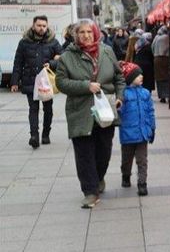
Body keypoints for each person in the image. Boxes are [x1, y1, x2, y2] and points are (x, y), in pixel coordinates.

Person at [55, 19, 125, 209]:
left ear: (95, 33)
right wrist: (86, 86)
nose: (86, 35)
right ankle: (90, 191)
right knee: (84, 153)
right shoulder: (67, 56)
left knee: (104, 151)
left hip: (105, 110)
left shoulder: (107, 51)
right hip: (80, 111)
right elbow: (61, 82)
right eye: (81, 32)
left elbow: (119, 77)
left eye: (89, 31)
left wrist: (119, 96)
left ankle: (98, 177)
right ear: (75, 35)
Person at [10, 15, 63, 148]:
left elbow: (63, 59)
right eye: (39, 25)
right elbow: (18, 63)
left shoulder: (53, 42)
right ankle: (34, 135)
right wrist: (14, 82)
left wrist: (51, 63)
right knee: (33, 109)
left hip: (46, 81)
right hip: (30, 80)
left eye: (44, 26)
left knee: (48, 109)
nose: (41, 28)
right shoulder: (24, 42)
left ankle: (45, 134)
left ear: (47, 26)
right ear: (33, 26)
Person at [118, 61, 156, 196]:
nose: (141, 77)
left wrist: (152, 128)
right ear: (129, 78)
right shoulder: (124, 95)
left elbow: (151, 111)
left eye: (141, 75)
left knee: (142, 160)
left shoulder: (145, 93)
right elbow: (119, 111)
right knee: (126, 159)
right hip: (128, 134)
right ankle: (126, 175)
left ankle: (142, 183)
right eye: (137, 75)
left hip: (142, 133)